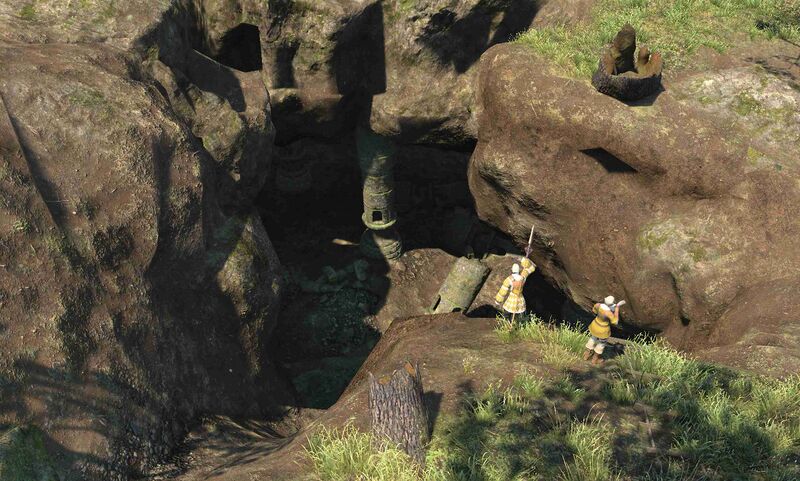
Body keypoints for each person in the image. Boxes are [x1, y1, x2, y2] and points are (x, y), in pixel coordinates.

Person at [583, 295, 626, 365]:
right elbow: (615, 321)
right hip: (603, 329)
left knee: (593, 338)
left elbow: (594, 310)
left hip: (595, 325)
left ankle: (586, 354)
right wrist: (617, 309)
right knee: (601, 343)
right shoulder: (608, 313)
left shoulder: (598, 305)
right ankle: (595, 359)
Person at [494, 256, 536, 323]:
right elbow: (530, 268)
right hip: (520, 297)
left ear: (512, 270)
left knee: (507, 312)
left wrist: (498, 300)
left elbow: (503, 291)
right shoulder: (523, 277)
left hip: (512, 297)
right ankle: (521, 323)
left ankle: (505, 322)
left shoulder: (509, 279)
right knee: (520, 312)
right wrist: (524, 261)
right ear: (518, 270)